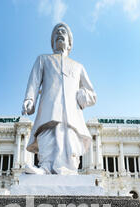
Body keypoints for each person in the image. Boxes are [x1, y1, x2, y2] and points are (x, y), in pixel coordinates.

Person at [22, 22, 96, 175]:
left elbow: (92, 94)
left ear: (70, 43)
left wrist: (83, 96)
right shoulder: (43, 59)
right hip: (49, 106)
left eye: (63, 32)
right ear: (52, 42)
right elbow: (34, 82)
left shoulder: (78, 66)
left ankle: (69, 169)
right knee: (48, 134)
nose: (60, 33)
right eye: (56, 32)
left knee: (69, 136)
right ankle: (46, 167)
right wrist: (29, 100)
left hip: (71, 110)